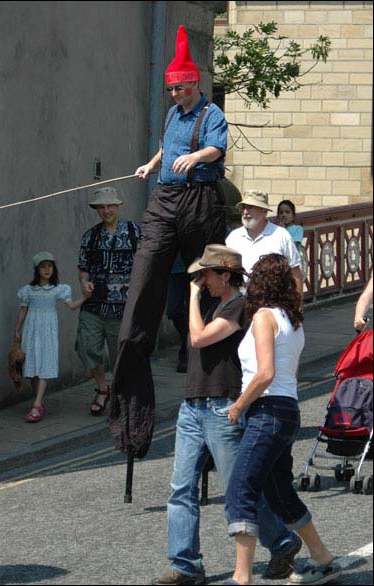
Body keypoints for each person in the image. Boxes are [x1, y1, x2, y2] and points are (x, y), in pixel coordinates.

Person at [152, 245, 301, 586]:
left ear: (225, 275)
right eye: (200, 276)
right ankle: (186, 564)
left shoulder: (240, 306)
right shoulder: (211, 301)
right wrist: (194, 286)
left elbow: (199, 338)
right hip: (192, 404)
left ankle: (281, 541)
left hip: (223, 407)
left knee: (239, 490)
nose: (201, 280)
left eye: (207, 274)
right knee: (181, 488)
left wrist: (192, 294)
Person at [110, 25, 228, 458]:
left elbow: (216, 148)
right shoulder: (172, 114)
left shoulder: (210, 113)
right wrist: (150, 163)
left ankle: (213, 385)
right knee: (144, 282)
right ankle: (131, 409)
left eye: (181, 88)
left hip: (200, 201)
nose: (176, 95)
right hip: (166, 197)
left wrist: (195, 156)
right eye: (172, 90)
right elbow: (166, 146)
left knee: (209, 284)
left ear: (194, 83)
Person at [224, 254, 341, 586]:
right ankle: (322, 558)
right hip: (287, 412)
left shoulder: (263, 317)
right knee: (278, 493)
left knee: (240, 490)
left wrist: (238, 406)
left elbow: (265, 373)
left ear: (259, 283)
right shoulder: (293, 320)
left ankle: (241, 577)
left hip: (265, 411)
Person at [77, 186, 141, 416]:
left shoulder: (134, 232)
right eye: (101, 207)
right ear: (97, 210)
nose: (106, 210)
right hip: (94, 306)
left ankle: (121, 393)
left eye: (110, 206)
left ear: (117, 206)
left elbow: (146, 265)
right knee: (87, 347)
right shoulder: (90, 236)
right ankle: (103, 389)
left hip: (123, 308)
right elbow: (82, 269)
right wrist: (84, 283)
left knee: (121, 356)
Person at [15, 251, 89, 422]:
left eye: (50, 266)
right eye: (43, 267)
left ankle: (37, 405)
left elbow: (71, 305)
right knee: (32, 367)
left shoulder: (58, 289)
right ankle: (38, 401)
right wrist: (17, 330)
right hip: (31, 330)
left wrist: (84, 298)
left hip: (48, 330)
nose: (47, 269)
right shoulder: (29, 290)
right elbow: (23, 309)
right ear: (37, 270)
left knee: (45, 364)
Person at [226, 190, 303, 296]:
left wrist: (297, 307)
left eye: (250, 207)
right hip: (240, 304)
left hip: (272, 303)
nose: (245, 212)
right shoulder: (233, 238)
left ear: (264, 211)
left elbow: (295, 272)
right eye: (243, 207)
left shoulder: (281, 236)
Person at [166, 254, 190, 373]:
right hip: (176, 268)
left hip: (197, 265)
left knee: (194, 310)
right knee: (173, 311)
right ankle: (186, 340)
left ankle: (185, 353)